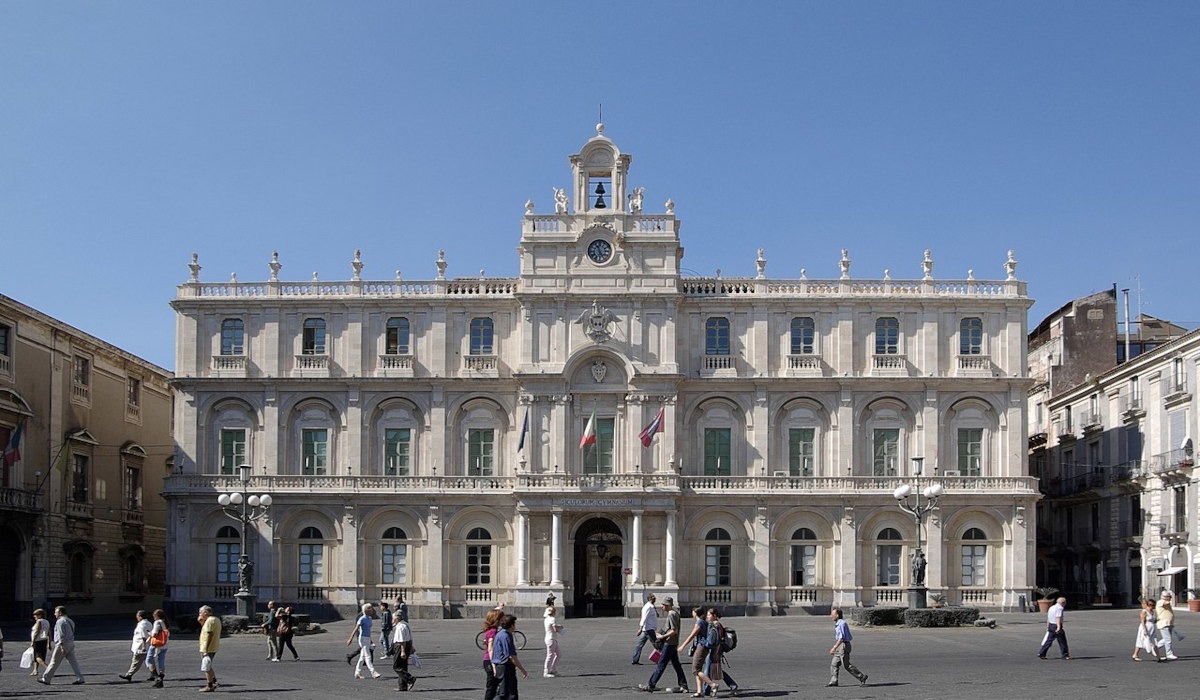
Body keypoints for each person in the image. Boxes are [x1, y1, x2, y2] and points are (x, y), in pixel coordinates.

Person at [637, 596, 689, 693]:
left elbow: (674, 631)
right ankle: (684, 685)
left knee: (661, 664)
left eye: (663, 605)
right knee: (676, 665)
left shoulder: (671, 614)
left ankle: (651, 685)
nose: (662, 607)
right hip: (673, 643)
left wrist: (662, 637)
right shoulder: (674, 613)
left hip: (669, 643)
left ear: (668, 605)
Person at [39, 605, 85, 685]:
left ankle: (46, 678)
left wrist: (61, 645)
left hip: (62, 644)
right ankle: (80, 678)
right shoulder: (70, 621)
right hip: (70, 643)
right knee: (73, 662)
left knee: (54, 662)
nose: (54, 614)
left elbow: (61, 635)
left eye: (56, 612)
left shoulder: (60, 622)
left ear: (60, 613)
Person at [828, 607, 868, 687]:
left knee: (846, 665)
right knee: (834, 663)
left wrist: (834, 647)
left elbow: (841, 638)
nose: (831, 616)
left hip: (844, 645)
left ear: (837, 615)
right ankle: (834, 681)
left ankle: (861, 677)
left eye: (833, 614)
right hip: (841, 645)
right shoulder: (839, 623)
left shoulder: (841, 624)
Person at [491, 614, 528, 700]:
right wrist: (522, 669)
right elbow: (511, 656)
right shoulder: (506, 636)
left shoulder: (500, 633)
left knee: (507, 692)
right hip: (505, 667)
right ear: (511, 625)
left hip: (500, 666)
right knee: (506, 693)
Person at [347, 603, 382, 679]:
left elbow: (368, 630)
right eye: (370, 609)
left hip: (367, 638)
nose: (372, 610)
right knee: (367, 656)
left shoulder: (369, 618)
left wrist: (371, 640)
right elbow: (356, 628)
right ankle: (373, 672)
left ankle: (357, 672)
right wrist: (351, 638)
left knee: (362, 657)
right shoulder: (362, 618)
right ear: (366, 610)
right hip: (362, 638)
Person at [696, 609, 725, 696]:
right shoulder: (718, 625)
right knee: (713, 669)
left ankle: (708, 689)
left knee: (708, 670)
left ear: (714, 616)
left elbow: (712, 640)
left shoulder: (714, 625)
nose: (707, 617)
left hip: (713, 650)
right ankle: (732, 685)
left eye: (709, 615)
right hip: (717, 649)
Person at [119, 610, 153, 681]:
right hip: (145, 646)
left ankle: (129, 675)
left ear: (140, 616)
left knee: (136, 661)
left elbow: (144, 636)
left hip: (141, 646)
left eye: (137, 616)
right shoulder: (147, 623)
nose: (136, 617)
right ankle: (154, 675)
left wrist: (143, 646)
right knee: (149, 661)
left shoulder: (143, 624)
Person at [481, 608, 504, 700]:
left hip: (488, 660)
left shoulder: (489, 630)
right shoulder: (493, 632)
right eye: (501, 618)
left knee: (493, 686)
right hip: (491, 661)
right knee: (492, 687)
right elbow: (490, 649)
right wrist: (494, 665)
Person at [198, 604, 222, 692]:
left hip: (208, 648)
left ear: (205, 612)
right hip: (212, 647)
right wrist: (201, 622)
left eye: (200, 612)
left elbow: (209, 634)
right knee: (208, 665)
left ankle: (210, 685)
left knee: (206, 667)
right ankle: (214, 682)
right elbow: (206, 630)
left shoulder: (210, 620)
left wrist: (206, 649)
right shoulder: (214, 619)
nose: (199, 614)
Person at [391, 611, 416, 691]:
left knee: (396, 666)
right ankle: (402, 686)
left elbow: (402, 641)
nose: (392, 620)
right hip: (407, 645)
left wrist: (402, 651)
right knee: (403, 666)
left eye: (393, 618)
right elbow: (411, 637)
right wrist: (411, 647)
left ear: (397, 618)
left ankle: (410, 678)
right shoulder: (406, 624)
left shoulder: (400, 627)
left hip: (400, 646)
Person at [632, 594, 658, 664]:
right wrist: (640, 628)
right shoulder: (648, 607)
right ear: (650, 599)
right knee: (657, 644)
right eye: (653, 598)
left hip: (646, 629)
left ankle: (635, 659)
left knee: (639, 645)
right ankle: (662, 658)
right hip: (649, 629)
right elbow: (644, 618)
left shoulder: (650, 606)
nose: (655, 599)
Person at [146, 609, 169, 688]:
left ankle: (156, 677)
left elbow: (155, 633)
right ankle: (161, 676)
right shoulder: (165, 622)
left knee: (149, 660)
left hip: (156, 644)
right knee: (161, 661)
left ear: (156, 616)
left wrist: (149, 633)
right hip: (164, 644)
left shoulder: (157, 622)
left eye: (154, 616)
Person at [1156, 591, 1178, 660]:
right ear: (1165, 597)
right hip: (1163, 623)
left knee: (1166, 639)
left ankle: (1154, 648)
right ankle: (1169, 653)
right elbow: (1166, 603)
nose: (1170, 598)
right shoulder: (1160, 602)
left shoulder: (1166, 602)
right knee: (1168, 639)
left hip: (1169, 623)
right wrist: (1167, 598)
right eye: (1169, 597)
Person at [29, 608, 50, 677]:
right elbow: (49, 632)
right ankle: (35, 670)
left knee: (37, 657)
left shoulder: (39, 621)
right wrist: (49, 643)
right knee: (39, 656)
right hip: (44, 640)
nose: (34, 616)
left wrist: (33, 641)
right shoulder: (46, 621)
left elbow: (36, 632)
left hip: (38, 641)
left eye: (36, 615)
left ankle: (48, 668)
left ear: (40, 615)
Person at [543, 604, 562, 677]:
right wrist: (560, 628)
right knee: (550, 655)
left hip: (550, 638)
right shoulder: (552, 619)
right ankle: (546, 671)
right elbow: (555, 629)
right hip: (551, 639)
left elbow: (551, 627)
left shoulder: (546, 619)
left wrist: (557, 626)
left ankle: (553, 670)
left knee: (558, 654)